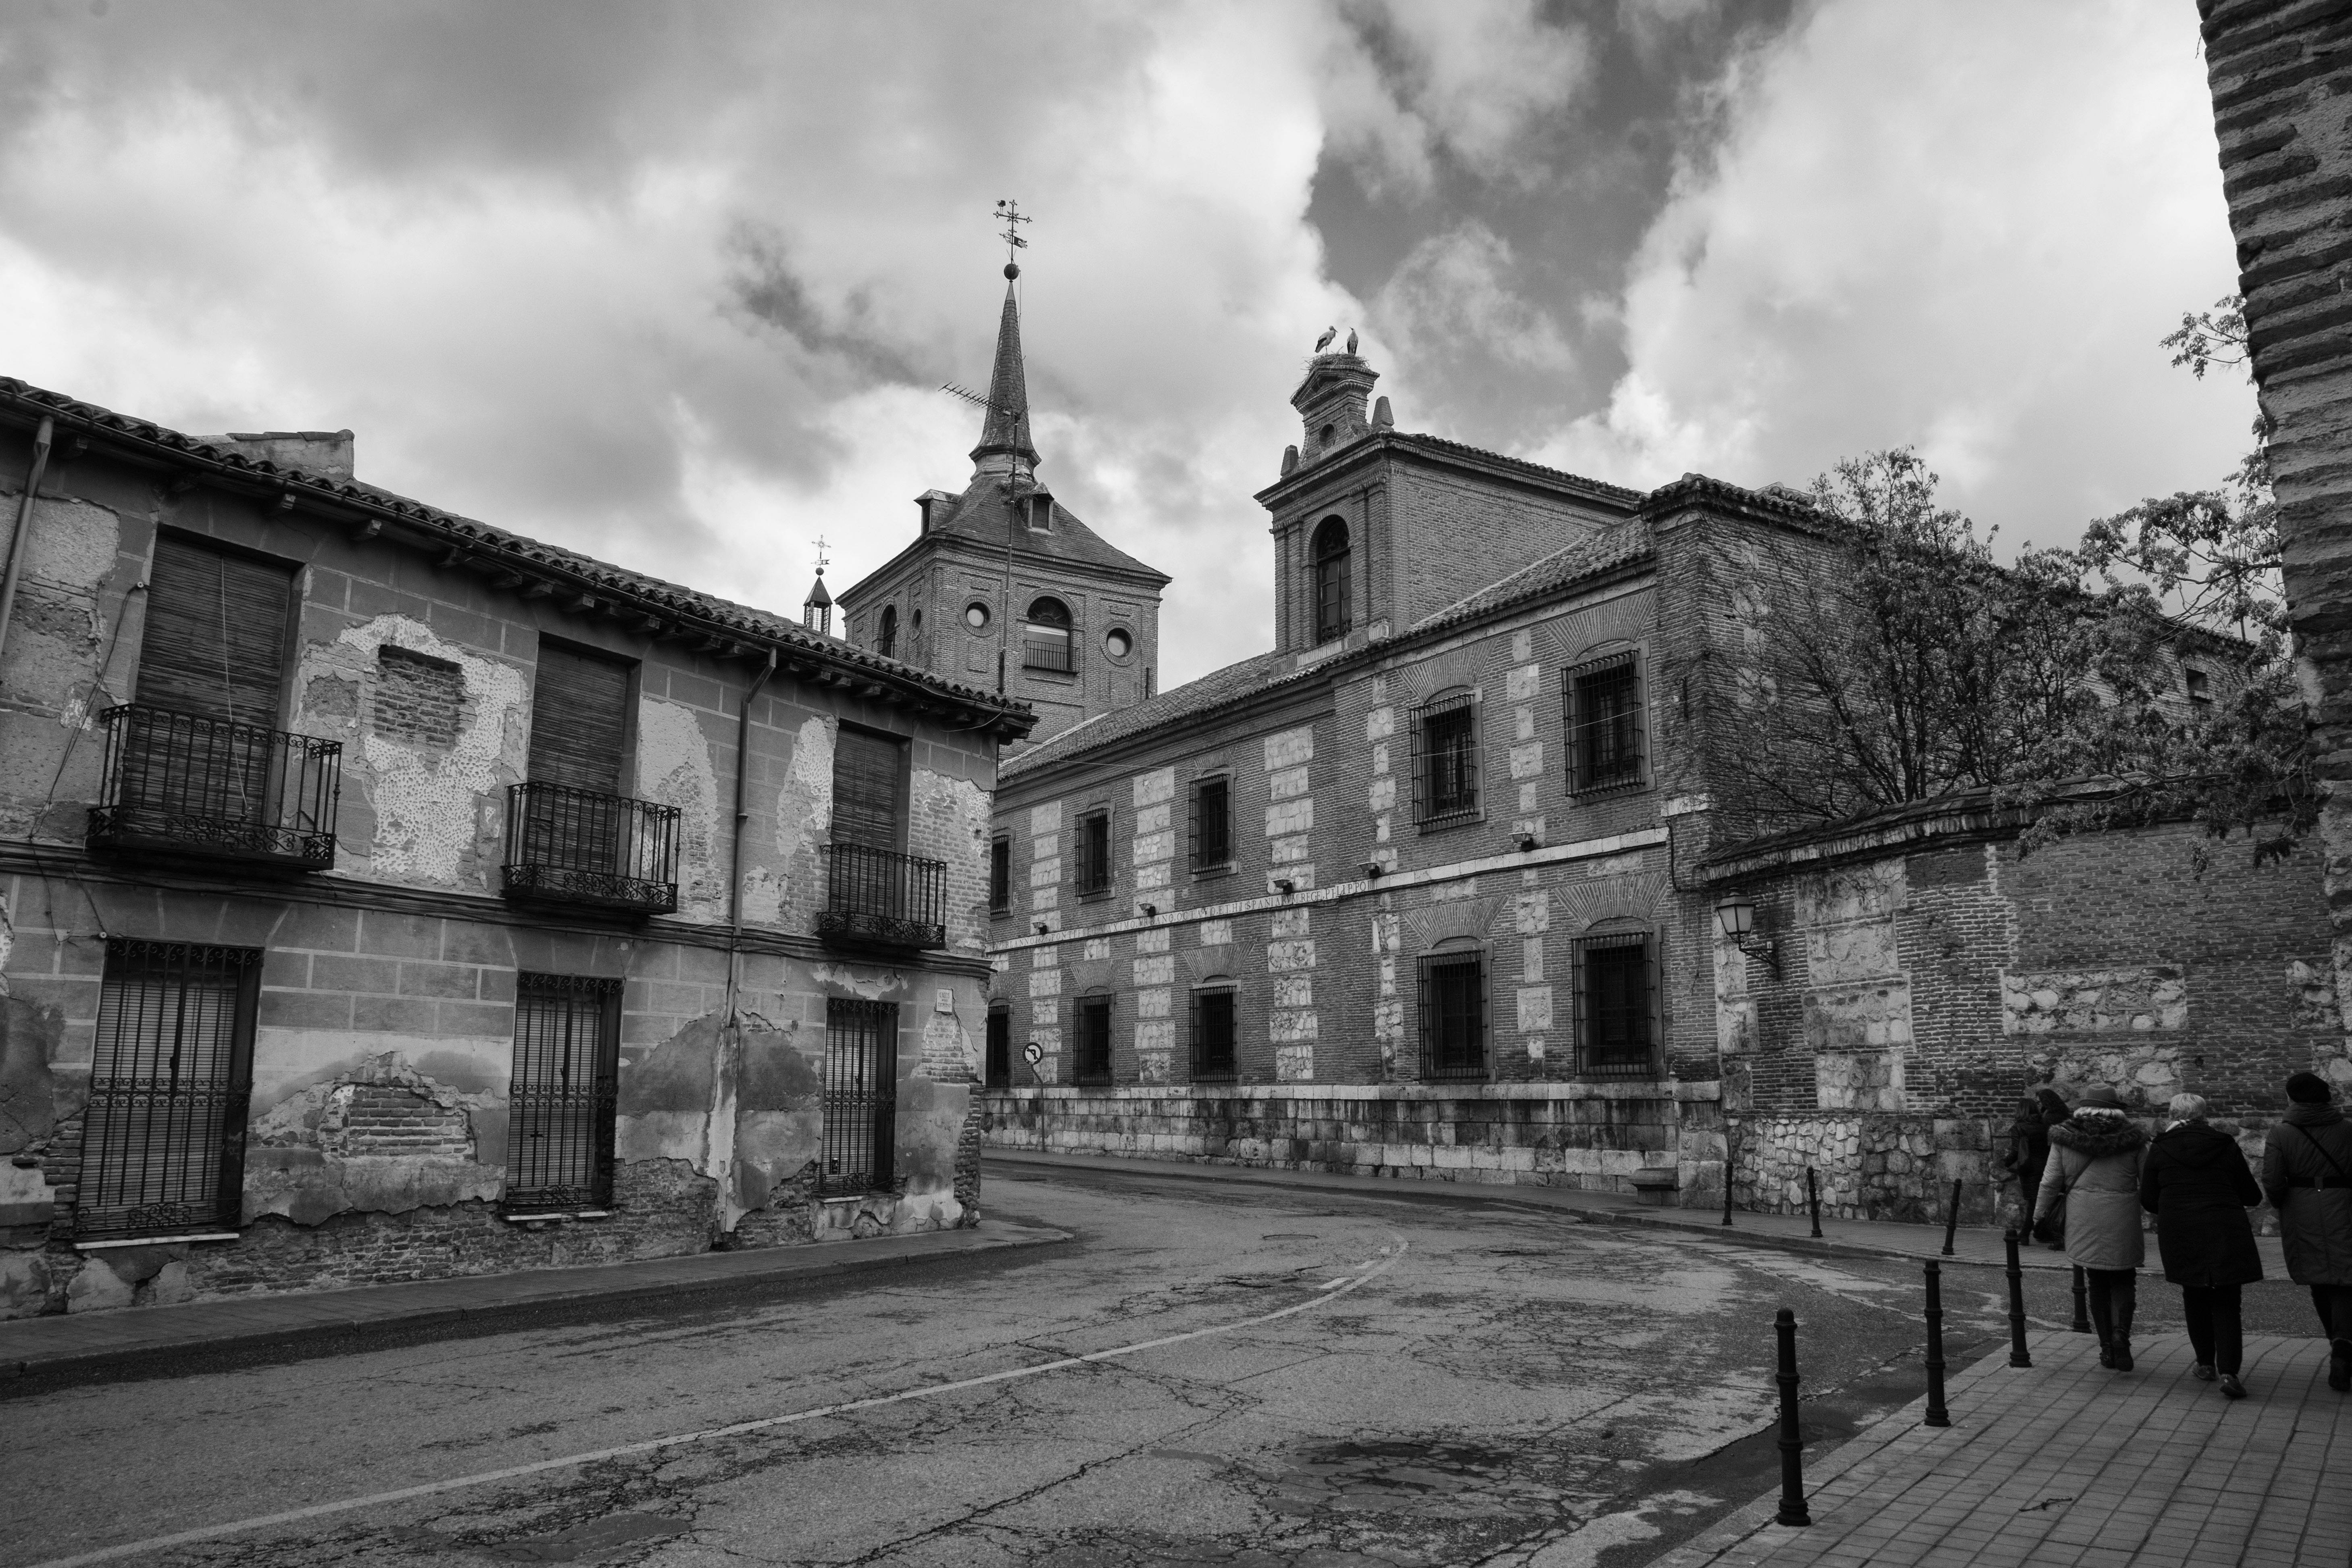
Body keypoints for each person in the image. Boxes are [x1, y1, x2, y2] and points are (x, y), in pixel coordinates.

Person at [2140, 1092, 2263, 1398]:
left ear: (2172, 1114)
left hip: (2181, 1229)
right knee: (2227, 1299)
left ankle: (2205, 1364)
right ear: (2203, 1114)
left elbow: (2149, 1199)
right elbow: (2251, 1194)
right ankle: (2230, 1372)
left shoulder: (2161, 1147)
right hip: (2224, 1226)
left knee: (2194, 1294)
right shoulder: (2224, 1144)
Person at [2035, 1083, 2148, 1370]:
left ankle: (2107, 1348)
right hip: (2122, 1216)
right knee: (2124, 1278)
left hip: (2083, 1215)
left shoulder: (2065, 1138)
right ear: (2115, 1109)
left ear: (2083, 1107)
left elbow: (2050, 1182)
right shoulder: (2133, 1139)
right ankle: (2121, 1333)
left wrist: (2039, 1214)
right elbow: (2148, 1181)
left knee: (2096, 1282)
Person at [2260, 1070, 2352, 1393]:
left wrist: (2283, 1203)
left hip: (2301, 1209)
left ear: (2291, 1098)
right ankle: (2344, 1342)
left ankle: (2335, 1340)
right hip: (2343, 1205)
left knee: (2318, 1277)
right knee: (2345, 1276)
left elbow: (2272, 1179)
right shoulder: (2347, 1129)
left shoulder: (2281, 1132)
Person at [2003, 1093, 2051, 1222]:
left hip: (2029, 1168)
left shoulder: (2018, 1128)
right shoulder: (2044, 1126)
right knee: (2041, 1202)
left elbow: (2016, 1151)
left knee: (2032, 1202)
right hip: (2046, 1166)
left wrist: (2006, 1162)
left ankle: (2028, 1231)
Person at [2033, 1088, 2071, 1249]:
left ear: (2046, 1102)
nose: (2038, 1105)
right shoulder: (2064, 1114)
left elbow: (2047, 1141)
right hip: (2061, 1160)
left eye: (2040, 1102)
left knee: (2053, 1199)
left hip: (2051, 1159)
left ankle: (2052, 1231)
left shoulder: (2050, 1118)